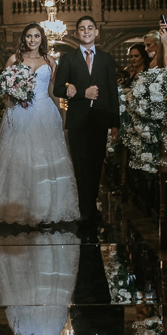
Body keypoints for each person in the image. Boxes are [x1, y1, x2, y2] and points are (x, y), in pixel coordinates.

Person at [0, 23, 80, 225]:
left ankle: (47, 207)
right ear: (23, 39)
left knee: (45, 156)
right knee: (19, 157)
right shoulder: (14, 60)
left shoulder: (49, 60)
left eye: (36, 36)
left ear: (42, 38)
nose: (32, 40)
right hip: (20, 111)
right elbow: (4, 87)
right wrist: (15, 93)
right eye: (28, 36)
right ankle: (17, 207)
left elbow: (54, 90)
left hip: (44, 111)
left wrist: (63, 106)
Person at [53, 16, 121, 227]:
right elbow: (57, 90)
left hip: (100, 121)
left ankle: (92, 205)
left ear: (96, 32)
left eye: (90, 28)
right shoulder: (68, 59)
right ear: (76, 33)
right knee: (81, 167)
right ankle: (84, 210)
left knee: (95, 166)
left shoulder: (107, 59)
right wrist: (81, 92)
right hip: (78, 121)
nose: (86, 31)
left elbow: (112, 92)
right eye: (82, 29)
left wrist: (115, 123)